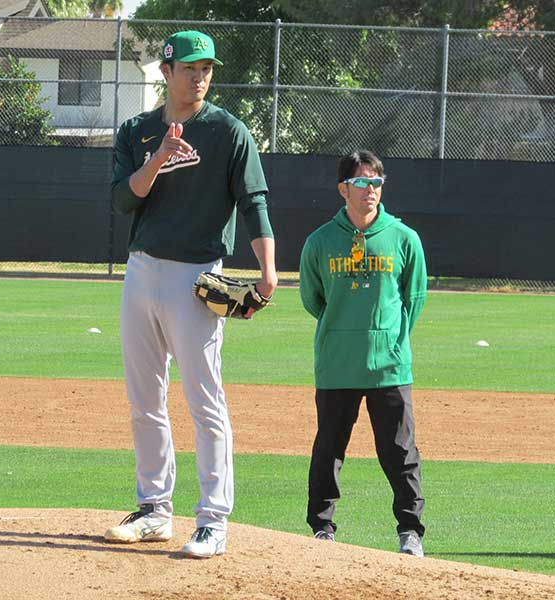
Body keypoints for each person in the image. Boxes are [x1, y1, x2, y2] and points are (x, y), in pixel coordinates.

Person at [105, 30, 277, 558]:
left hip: (197, 275)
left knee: (205, 399)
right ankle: (155, 509)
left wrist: (268, 269)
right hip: (141, 270)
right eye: (190, 68)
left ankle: (213, 519)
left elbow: (254, 202)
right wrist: (157, 158)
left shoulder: (228, 131)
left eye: (207, 68)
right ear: (166, 71)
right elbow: (121, 202)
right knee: (143, 399)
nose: (200, 76)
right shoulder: (136, 130)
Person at [299, 150, 427, 556]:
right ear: (343, 189)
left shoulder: (404, 238)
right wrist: (344, 329)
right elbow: (312, 298)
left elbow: (414, 297)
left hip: (388, 365)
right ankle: (322, 528)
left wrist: (388, 338)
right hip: (337, 363)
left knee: (400, 452)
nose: (370, 189)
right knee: (329, 448)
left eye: (376, 182)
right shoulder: (320, 242)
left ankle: (410, 532)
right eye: (361, 182)